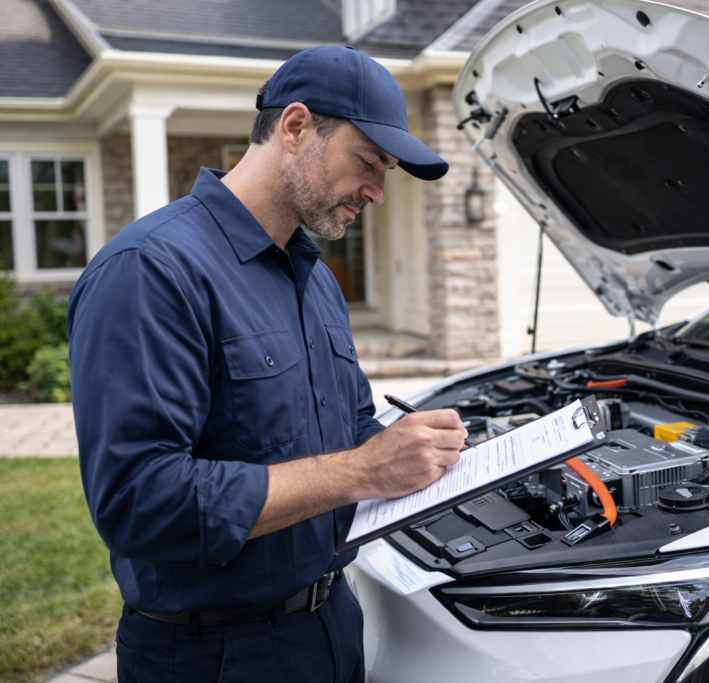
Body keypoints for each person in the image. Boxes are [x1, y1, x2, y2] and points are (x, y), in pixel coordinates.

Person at [67, 46, 468, 683]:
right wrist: (360, 471)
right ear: (296, 127)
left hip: (332, 626)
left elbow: (353, 427)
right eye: (369, 163)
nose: (377, 193)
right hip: (214, 656)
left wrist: (427, 458)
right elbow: (138, 501)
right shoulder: (151, 271)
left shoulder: (315, 278)